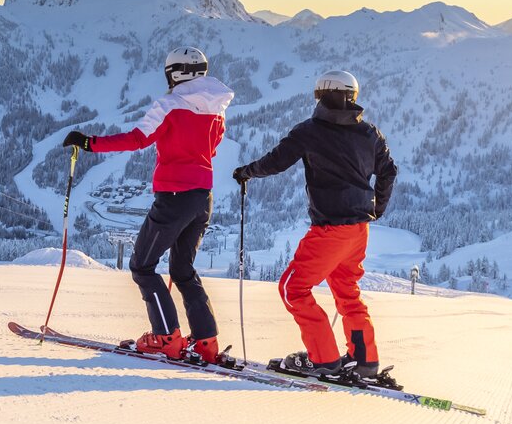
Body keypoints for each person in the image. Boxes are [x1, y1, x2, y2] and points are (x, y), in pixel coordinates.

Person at [62, 47, 233, 364]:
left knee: (142, 266)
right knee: (183, 270)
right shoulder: (217, 108)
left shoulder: (170, 105)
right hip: (202, 197)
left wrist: (88, 143)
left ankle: (167, 337)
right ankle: (206, 342)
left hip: (174, 198)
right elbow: (214, 146)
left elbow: (137, 139)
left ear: (175, 73)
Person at [232, 70, 397, 383]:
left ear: (319, 96)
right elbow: (389, 172)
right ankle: (365, 359)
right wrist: (377, 208)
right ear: (353, 97)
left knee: (293, 288)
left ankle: (324, 360)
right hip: (358, 230)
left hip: (330, 231)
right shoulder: (369, 133)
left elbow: (275, 162)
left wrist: (246, 172)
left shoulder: (309, 130)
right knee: (347, 291)